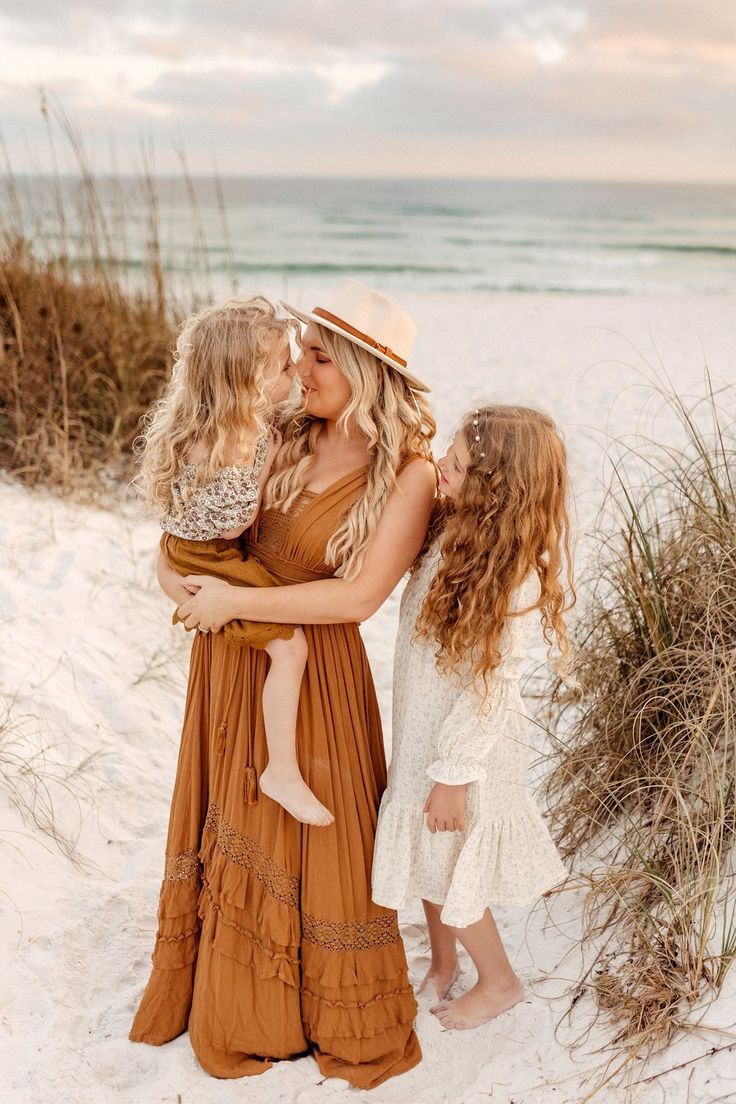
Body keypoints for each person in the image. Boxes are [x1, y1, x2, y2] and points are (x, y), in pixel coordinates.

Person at [129, 279, 437, 1088]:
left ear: (369, 372)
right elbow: (192, 529)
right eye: (301, 351)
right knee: (234, 827)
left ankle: (311, 1013)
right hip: (233, 652)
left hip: (318, 673)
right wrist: (177, 579)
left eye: (320, 356)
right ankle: (237, 1002)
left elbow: (360, 597)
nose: (302, 367)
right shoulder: (282, 431)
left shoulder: (407, 474)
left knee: (317, 850)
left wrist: (237, 600)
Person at [371, 405, 573, 1030]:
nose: (442, 472)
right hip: (424, 732)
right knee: (430, 857)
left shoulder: (506, 576)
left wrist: (454, 772)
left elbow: (492, 689)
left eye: (457, 467)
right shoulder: (448, 531)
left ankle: (499, 981)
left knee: (457, 872)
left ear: (494, 491)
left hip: (470, 752)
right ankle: (443, 960)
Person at [136, 296, 332, 826]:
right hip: (211, 556)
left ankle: (282, 768)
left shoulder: (199, 422)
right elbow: (234, 524)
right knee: (290, 648)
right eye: (285, 368)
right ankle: (282, 770)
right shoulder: (233, 445)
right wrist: (266, 468)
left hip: (183, 548)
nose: (295, 376)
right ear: (247, 383)